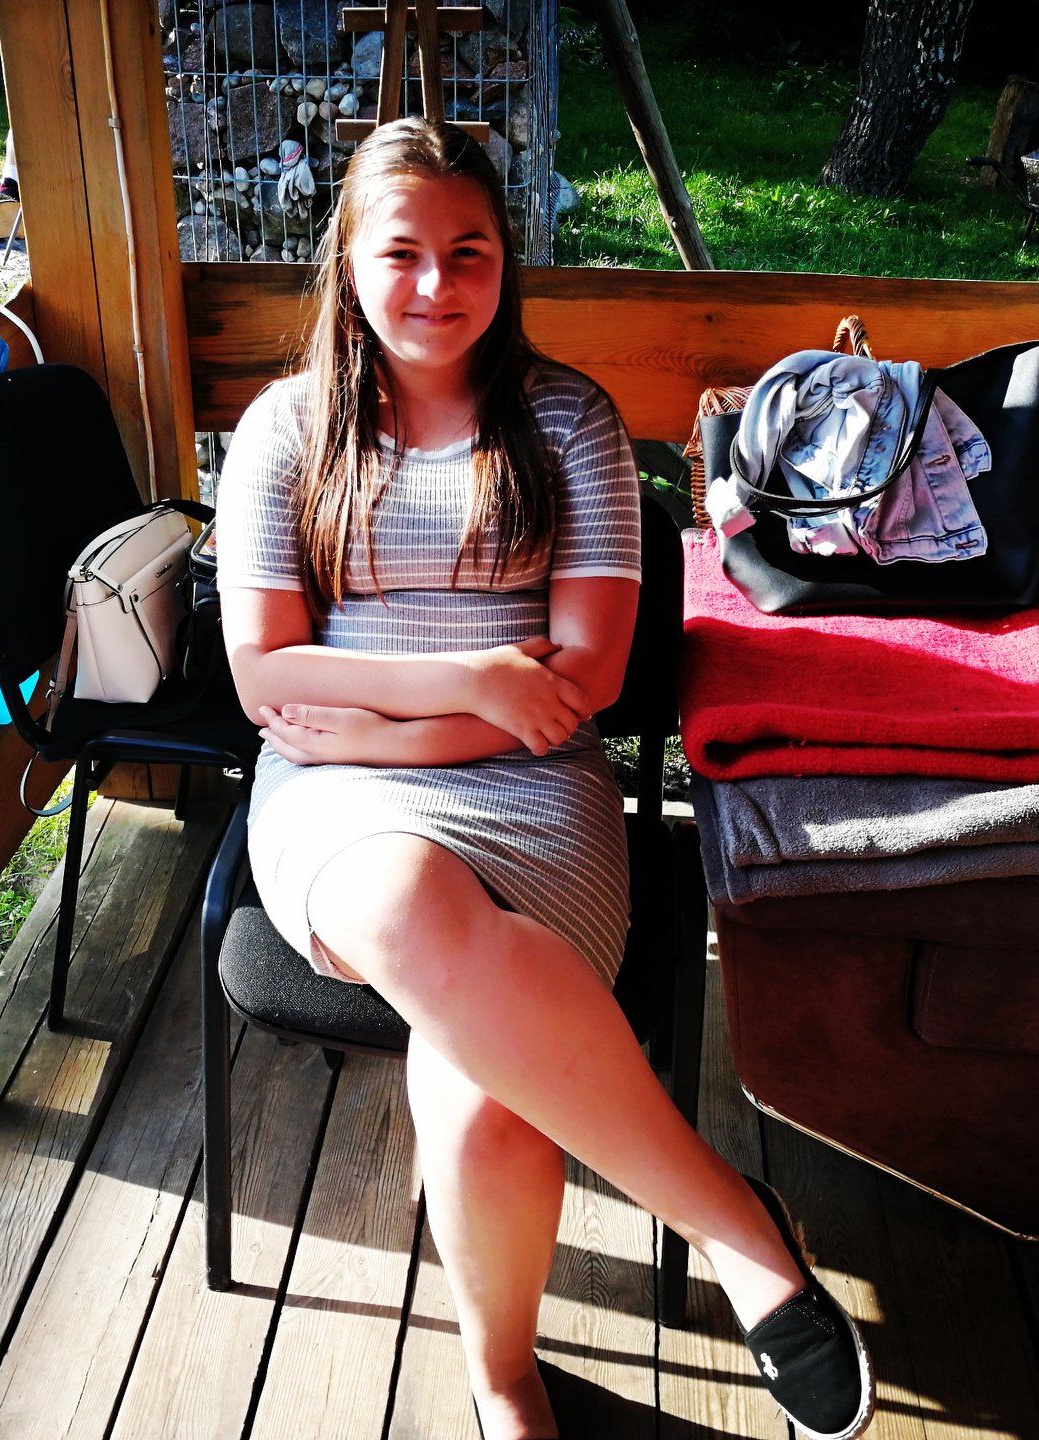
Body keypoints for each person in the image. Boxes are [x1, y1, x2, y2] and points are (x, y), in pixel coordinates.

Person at [215, 117, 874, 1440]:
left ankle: (504, 1382)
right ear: (348, 261)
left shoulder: (568, 419)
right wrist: (470, 683)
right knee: (404, 905)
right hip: (335, 801)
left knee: (486, 1103)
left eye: (469, 251)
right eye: (402, 252)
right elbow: (266, 677)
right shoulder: (284, 430)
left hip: (534, 793)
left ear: (505, 260)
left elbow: (585, 676)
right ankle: (735, 1226)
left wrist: (382, 717)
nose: (436, 283)